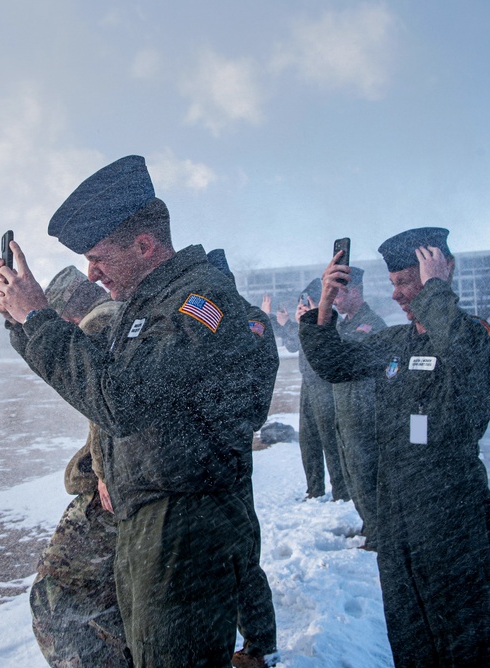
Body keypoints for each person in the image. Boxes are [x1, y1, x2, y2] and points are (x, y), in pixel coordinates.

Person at [0, 155, 273, 667]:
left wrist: (38, 316)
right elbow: (101, 383)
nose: (92, 275)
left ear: (144, 245)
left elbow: (122, 399)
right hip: (153, 520)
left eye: (99, 259)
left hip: (186, 530)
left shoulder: (198, 302)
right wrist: (24, 322)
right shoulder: (151, 305)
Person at [300, 227, 490, 667]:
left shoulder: (475, 335)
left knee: (461, 640)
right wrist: (326, 305)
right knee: (410, 637)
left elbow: (465, 377)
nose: (396, 294)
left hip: (450, 515)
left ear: (441, 275)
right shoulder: (394, 344)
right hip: (399, 515)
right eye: (393, 284)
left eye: (407, 282)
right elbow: (333, 363)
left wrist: (435, 293)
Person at [29, 266, 127, 667]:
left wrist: (103, 473)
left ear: (67, 313)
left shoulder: (99, 321)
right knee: (113, 602)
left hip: (113, 491)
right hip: (126, 483)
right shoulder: (120, 315)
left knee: (54, 600)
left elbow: (107, 406)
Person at [207, 249, 279, 668]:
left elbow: (254, 391)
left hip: (229, 453)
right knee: (222, 552)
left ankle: (259, 644)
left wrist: (232, 427)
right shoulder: (216, 318)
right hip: (207, 455)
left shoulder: (248, 320)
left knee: (240, 553)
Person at [273, 280, 349, 501]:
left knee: (330, 441)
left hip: (325, 385)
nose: (304, 306)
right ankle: (314, 489)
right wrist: (290, 323)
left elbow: (313, 343)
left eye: (308, 302)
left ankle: (341, 492)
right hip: (308, 384)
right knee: (309, 440)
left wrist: (296, 323)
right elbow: (293, 344)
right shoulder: (306, 324)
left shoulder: (328, 323)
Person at [330, 266, 387, 549]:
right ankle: (369, 525)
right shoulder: (343, 323)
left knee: (367, 477)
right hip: (346, 412)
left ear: (354, 291)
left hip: (364, 416)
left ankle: (378, 533)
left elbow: (344, 355)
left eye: (338, 294)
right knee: (353, 475)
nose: (334, 300)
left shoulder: (371, 324)